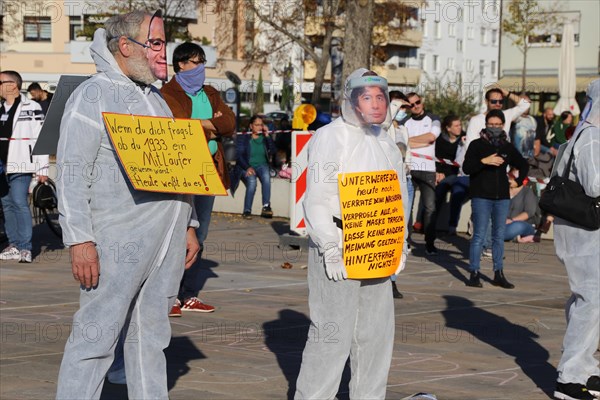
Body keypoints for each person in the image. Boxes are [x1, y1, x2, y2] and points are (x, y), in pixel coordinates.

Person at [55, 11, 200, 400]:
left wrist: (189, 225)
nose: (162, 52)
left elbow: (179, 170)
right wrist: (80, 240)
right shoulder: (94, 94)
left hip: (165, 241)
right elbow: (70, 173)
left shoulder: (158, 100)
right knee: (95, 337)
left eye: (162, 43)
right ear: (125, 47)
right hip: (115, 241)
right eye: (155, 43)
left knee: (151, 338)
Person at [295, 68, 409, 399]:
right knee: (331, 336)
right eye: (367, 96)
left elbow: (398, 197)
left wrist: (398, 244)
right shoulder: (331, 137)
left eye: (380, 96)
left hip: (377, 242)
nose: (375, 104)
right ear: (351, 100)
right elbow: (315, 197)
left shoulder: (384, 140)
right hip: (341, 241)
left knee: (375, 336)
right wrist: (330, 245)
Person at [161, 41, 235, 316]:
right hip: (182, 173)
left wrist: (205, 125)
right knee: (178, 233)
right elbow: (181, 130)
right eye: (195, 61)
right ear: (180, 64)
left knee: (199, 234)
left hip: (210, 173)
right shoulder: (168, 94)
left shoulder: (211, 93)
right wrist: (209, 125)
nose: (200, 67)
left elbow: (229, 123)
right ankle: (169, 295)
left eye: (202, 61)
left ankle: (188, 293)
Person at [552, 79, 599, 400]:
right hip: (582, 231)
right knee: (591, 298)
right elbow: (596, 185)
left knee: (589, 298)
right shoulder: (592, 138)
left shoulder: (584, 133)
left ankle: (585, 367)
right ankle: (569, 377)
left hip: (579, 228)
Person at [463, 110, 528, 289]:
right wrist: (484, 161)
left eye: (498, 125)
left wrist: (519, 180)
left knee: (498, 237)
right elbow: (467, 167)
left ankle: (498, 273)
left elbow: (523, 164)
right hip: (481, 196)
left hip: (502, 198)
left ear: (503, 125)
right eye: (491, 125)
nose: (494, 128)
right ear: (485, 125)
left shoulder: (506, 146)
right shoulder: (476, 145)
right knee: (478, 235)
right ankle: (474, 272)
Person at [0, 70, 48, 263]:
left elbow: (41, 138)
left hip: (21, 164)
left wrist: (42, 168)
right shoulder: (0, 108)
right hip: (1, 166)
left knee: (19, 202)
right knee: (7, 205)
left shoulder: (32, 106)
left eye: (1, 82)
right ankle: (14, 245)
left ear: (13, 85)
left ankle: (26, 248)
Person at [402, 92, 441, 255]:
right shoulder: (404, 121)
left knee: (430, 207)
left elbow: (432, 137)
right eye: (411, 105)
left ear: (421, 101)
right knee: (406, 208)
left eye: (417, 102)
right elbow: (401, 143)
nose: (416, 106)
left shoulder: (434, 118)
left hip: (428, 169)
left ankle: (430, 243)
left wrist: (410, 142)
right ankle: (406, 240)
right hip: (408, 169)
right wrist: (417, 141)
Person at [388, 89, 411, 299]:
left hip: (405, 181)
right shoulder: (383, 128)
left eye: (405, 108)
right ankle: (387, 279)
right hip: (389, 185)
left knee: (401, 230)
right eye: (400, 106)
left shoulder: (403, 128)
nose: (403, 111)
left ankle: (394, 278)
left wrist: (409, 166)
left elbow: (408, 151)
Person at [232, 115, 276, 219]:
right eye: (257, 125)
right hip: (246, 166)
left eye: (261, 125)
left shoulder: (265, 138)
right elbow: (238, 156)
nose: (259, 127)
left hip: (262, 165)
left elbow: (273, 151)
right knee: (252, 181)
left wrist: (268, 136)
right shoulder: (244, 137)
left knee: (266, 177)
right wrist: (247, 168)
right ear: (251, 126)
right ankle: (247, 211)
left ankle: (266, 207)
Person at [432, 115, 469, 236]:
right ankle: (429, 224)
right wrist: (438, 173)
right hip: (441, 173)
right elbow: (437, 158)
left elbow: (458, 163)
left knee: (457, 193)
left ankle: (452, 226)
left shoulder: (464, 139)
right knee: (439, 191)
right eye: (456, 125)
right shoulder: (440, 140)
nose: (459, 128)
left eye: (460, 125)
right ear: (448, 128)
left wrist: (445, 174)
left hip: (457, 174)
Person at [466, 87, 531, 148]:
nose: (497, 104)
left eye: (500, 101)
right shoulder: (476, 120)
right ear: (486, 101)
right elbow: (469, 145)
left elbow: (526, 104)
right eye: (493, 101)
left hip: (504, 157)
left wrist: (507, 93)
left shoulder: (506, 115)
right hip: (483, 158)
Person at [504, 176, 539, 243]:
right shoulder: (502, 190)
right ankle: (512, 237)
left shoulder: (527, 191)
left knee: (517, 226)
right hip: (502, 223)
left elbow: (529, 212)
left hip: (521, 223)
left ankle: (498, 236)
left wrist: (511, 220)